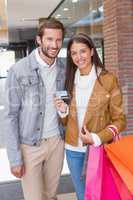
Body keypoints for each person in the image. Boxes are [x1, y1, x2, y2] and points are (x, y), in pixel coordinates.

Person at [54, 33, 126, 200]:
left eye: (83, 51)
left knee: (102, 195)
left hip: (99, 149)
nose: (79, 57)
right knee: (82, 196)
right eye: (74, 53)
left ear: (92, 51)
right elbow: (66, 121)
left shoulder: (108, 80)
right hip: (73, 150)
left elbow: (120, 120)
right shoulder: (69, 80)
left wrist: (96, 138)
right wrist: (63, 111)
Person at [5, 18, 66, 200]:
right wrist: (15, 158)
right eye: (49, 39)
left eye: (58, 40)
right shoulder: (18, 70)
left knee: (51, 195)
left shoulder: (64, 68)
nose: (54, 45)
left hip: (56, 142)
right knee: (34, 197)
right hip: (30, 146)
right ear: (39, 40)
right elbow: (10, 116)